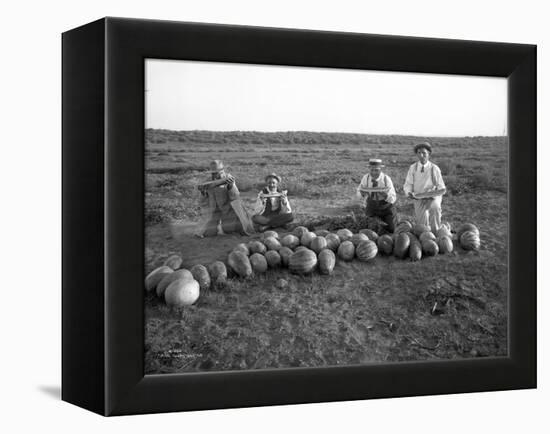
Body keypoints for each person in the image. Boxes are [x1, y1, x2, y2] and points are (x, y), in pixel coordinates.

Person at [195, 160, 255, 237]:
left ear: (222, 170)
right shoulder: (207, 181)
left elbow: (235, 196)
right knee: (209, 233)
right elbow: (202, 201)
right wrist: (202, 192)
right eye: (213, 172)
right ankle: (212, 226)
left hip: (227, 209)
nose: (215, 174)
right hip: (214, 210)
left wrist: (231, 187)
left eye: (217, 172)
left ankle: (237, 226)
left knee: (228, 230)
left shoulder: (228, 178)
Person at [403, 142, 447, 232]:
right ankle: (426, 235)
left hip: (432, 197)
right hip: (418, 197)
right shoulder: (413, 168)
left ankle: (436, 232)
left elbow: (441, 187)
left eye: (424, 153)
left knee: (435, 208)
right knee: (423, 227)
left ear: (429, 154)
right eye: (419, 153)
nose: (421, 155)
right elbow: (408, 184)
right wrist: (409, 193)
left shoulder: (434, 168)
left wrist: (433, 195)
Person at [356, 158, 397, 233]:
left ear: (381, 169)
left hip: (386, 208)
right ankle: (377, 221)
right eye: (372, 170)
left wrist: (385, 196)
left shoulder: (386, 179)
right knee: (371, 229)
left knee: (391, 229)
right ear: (369, 169)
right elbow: (359, 191)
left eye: (376, 170)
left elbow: (393, 198)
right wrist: (362, 193)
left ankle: (386, 220)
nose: (374, 173)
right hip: (372, 208)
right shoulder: (366, 178)